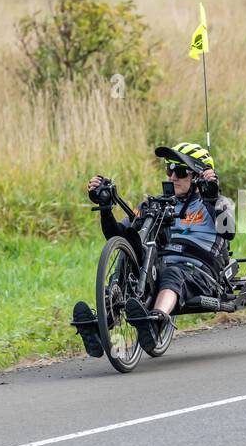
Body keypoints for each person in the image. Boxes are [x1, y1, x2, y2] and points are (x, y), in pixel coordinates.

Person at [72, 142, 235, 357]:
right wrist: (105, 208)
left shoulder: (217, 203)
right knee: (129, 252)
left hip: (200, 271)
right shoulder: (156, 205)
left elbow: (229, 231)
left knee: (173, 272)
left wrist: (212, 197)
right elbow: (117, 235)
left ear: (198, 176)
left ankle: (156, 321)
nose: (172, 177)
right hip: (161, 264)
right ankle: (102, 323)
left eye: (180, 171)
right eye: (169, 169)